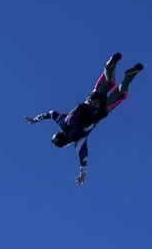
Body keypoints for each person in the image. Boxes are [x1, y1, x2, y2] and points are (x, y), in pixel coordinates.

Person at [27, 53, 143, 184]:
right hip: (90, 101)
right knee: (108, 82)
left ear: (66, 143)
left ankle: (128, 77)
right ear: (59, 133)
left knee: (119, 94)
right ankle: (110, 66)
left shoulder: (78, 140)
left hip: (100, 112)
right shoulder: (62, 122)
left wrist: (82, 174)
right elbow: (50, 113)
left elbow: (83, 158)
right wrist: (35, 120)